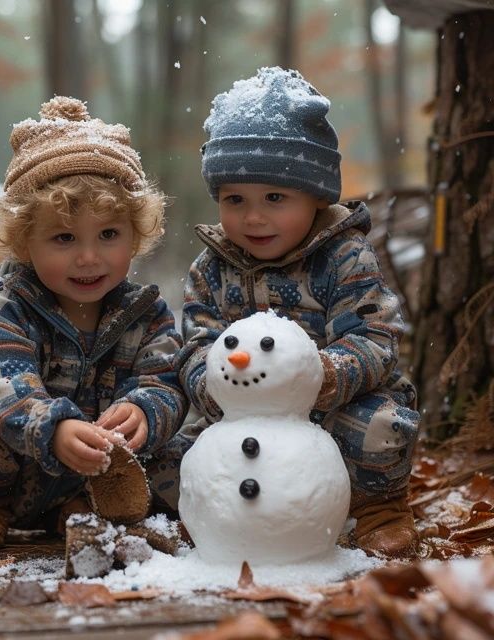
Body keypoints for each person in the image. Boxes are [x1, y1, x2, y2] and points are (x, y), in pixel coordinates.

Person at [177, 67, 419, 558]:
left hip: (333, 405)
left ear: (316, 195)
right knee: (172, 452)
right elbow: (197, 342)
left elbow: (374, 336)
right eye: (234, 200)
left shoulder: (344, 256)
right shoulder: (210, 269)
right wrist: (215, 386)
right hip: (239, 408)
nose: (253, 217)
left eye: (275, 198)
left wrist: (321, 376)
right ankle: (210, 509)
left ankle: (377, 507)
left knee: (379, 429)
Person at [0, 96, 187, 549]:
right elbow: (2, 384)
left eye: (108, 234)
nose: (89, 257)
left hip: (101, 473)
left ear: (135, 233)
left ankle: (80, 509)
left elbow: (167, 378)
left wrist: (147, 410)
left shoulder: (146, 314)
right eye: (64, 238)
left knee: (186, 442)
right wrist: (52, 427)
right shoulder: (7, 305)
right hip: (15, 472)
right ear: (23, 242)